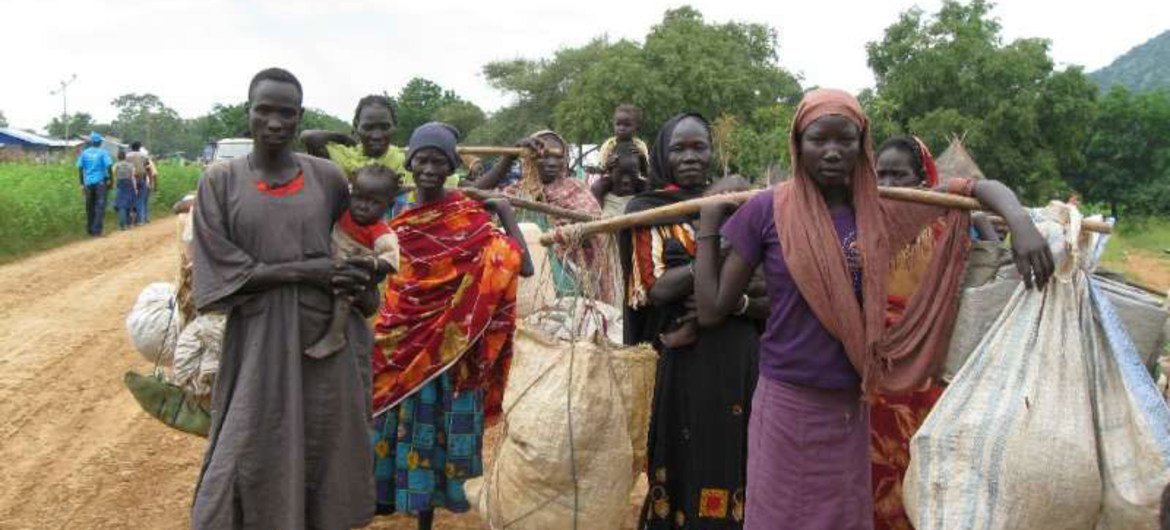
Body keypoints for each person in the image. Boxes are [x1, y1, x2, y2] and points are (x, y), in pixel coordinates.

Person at [693, 88, 1054, 529]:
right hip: (787, 401)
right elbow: (712, 310)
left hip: (848, 404)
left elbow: (974, 188)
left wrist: (1021, 223)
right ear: (798, 144)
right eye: (818, 139)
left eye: (844, 139)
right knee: (780, 516)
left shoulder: (878, 210)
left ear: (861, 143)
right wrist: (708, 225)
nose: (832, 151)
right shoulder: (768, 210)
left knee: (842, 518)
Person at [189, 67, 378, 529]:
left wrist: (362, 281)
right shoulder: (221, 182)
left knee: (326, 446)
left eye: (286, 113)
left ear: (300, 117)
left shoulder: (327, 178)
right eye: (265, 110)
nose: (275, 123)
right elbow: (219, 277)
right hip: (258, 340)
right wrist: (306, 271)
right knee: (248, 442)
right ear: (248, 112)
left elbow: (355, 243)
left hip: (325, 342)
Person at [371, 122, 533, 530]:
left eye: (439, 162)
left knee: (437, 424)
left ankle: (426, 514)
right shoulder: (393, 210)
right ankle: (386, 500)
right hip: (399, 336)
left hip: (452, 347)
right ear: (409, 163)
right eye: (422, 160)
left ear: (451, 167)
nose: (429, 169)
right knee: (391, 420)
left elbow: (523, 265)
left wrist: (504, 212)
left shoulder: (468, 215)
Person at [620, 113, 764, 530]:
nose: (690, 157)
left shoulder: (738, 200)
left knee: (736, 450)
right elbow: (655, 289)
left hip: (738, 352)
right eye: (678, 149)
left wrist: (716, 293)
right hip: (682, 356)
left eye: (699, 147)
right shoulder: (648, 210)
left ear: (711, 151)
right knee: (683, 450)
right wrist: (720, 241)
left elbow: (763, 281)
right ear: (662, 155)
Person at [472, 130, 618, 304]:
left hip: (571, 283)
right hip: (523, 281)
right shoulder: (515, 194)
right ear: (530, 159)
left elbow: (595, 233)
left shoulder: (576, 189)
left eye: (558, 157)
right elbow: (471, 196)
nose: (552, 163)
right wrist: (509, 157)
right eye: (544, 157)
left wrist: (564, 236)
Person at [305, 164, 400, 359]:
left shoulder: (381, 232)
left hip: (355, 275)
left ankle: (335, 335)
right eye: (358, 198)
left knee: (344, 293)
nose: (363, 206)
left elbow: (391, 262)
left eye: (374, 202)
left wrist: (370, 263)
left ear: (388, 205)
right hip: (330, 264)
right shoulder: (343, 214)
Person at [594, 103, 651, 183]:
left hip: (634, 180)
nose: (621, 128)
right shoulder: (609, 145)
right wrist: (608, 164)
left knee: (647, 185)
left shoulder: (640, 146)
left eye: (627, 125)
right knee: (598, 186)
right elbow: (600, 169)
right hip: (612, 181)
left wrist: (641, 158)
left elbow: (645, 171)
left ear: (636, 127)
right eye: (618, 124)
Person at [76, 132, 113, 236]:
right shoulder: (103, 152)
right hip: (100, 182)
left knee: (89, 206)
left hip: (88, 183)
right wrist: (111, 180)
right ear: (100, 142)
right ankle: (97, 230)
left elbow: (80, 168)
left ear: (91, 142)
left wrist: (81, 184)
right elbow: (109, 166)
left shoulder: (84, 153)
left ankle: (90, 229)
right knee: (100, 206)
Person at [126, 142, 155, 224]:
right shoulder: (144, 156)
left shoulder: (127, 156)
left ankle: (129, 220)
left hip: (130, 179)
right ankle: (140, 220)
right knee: (141, 200)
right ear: (139, 148)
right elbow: (148, 169)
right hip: (141, 178)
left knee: (130, 199)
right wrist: (150, 181)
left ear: (131, 148)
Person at [112, 150, 138, 230]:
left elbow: (113, 176)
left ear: (118, 157)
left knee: (121, 204)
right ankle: (128, 223)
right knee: (129, 204)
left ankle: (122, 224)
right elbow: (133, 177)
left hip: (120, 185)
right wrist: (135, 188)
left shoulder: (116, 165)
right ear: (125, 157)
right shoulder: (131, 165)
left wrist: (114, 186)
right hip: (129, 184)